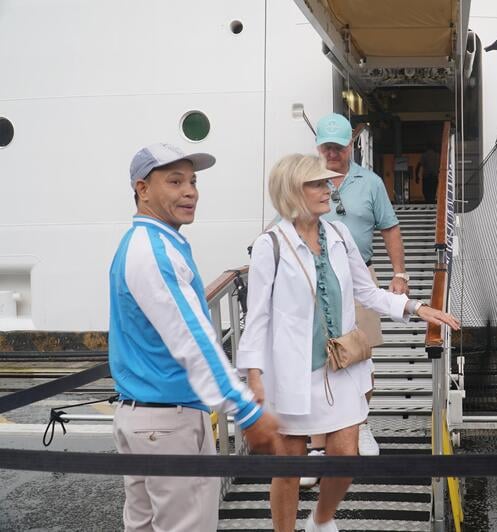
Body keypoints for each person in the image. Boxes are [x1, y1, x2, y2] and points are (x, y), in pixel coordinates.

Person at [236, 154, 459, 532]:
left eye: (327, 182)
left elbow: (366, 292)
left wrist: (416, 307)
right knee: (289, 467)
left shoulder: (339, 235)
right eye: (317, 184)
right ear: (293, 191)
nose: (328, 189)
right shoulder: (269, 245)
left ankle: (320, 520)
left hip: (340, 366)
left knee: (345, 454)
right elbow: (256, 319)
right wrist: (254, 378)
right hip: (291, 373)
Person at [109, 143, 278, 532]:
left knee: (142, 525)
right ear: (142, 189)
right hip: (169, 423)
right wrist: (247, 411)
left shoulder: (136, 244)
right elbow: (194, 341)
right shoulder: (155, 252)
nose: (190, 192)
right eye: (175, 182)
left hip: (141, 418)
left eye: (193, 181)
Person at [312, 112, 410, 461]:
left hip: (361, 276)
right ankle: (317, 440)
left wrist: (399, 274)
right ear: (318, 146)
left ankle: (361, 425)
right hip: (315, 280)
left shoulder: (370, 182)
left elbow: (390, 227)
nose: (332, 153)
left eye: (339, 147)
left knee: (362, 354)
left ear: (351, 144)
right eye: (327, 147)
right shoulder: (307, 182)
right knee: (317, 357)